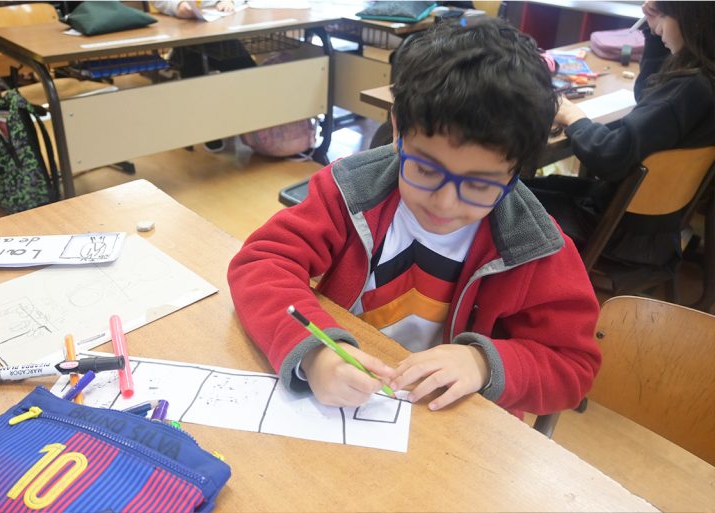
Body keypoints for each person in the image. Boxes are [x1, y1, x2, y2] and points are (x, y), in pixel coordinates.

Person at [228, 19, 601, 419]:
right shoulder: (352, 190)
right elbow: (262, 262)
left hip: (456, 426)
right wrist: (315, 353)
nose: (444, 203)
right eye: (425, 169)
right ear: (397, 130)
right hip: (351, 400)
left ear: (515, 172)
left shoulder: (532, 245)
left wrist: (483, 363)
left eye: (479, 185)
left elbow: (573, 367)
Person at [526, 1, 715, 267]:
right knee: (530, 186)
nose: (657, 28)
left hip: (617, 232)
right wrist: (654, 31)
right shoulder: (701, 78)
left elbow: (609, 157)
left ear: (691, 20)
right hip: (656, 228)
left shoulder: (685, 92)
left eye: (663, 17)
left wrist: (572, 116)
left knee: (506, 198)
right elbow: (647, 95)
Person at [153, 0, 254, 152]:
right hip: (185, 28)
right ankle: (208, 128)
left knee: (247, 72)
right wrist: (176, 6)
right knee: (194, 65)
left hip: (219, 24)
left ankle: (251, 124)